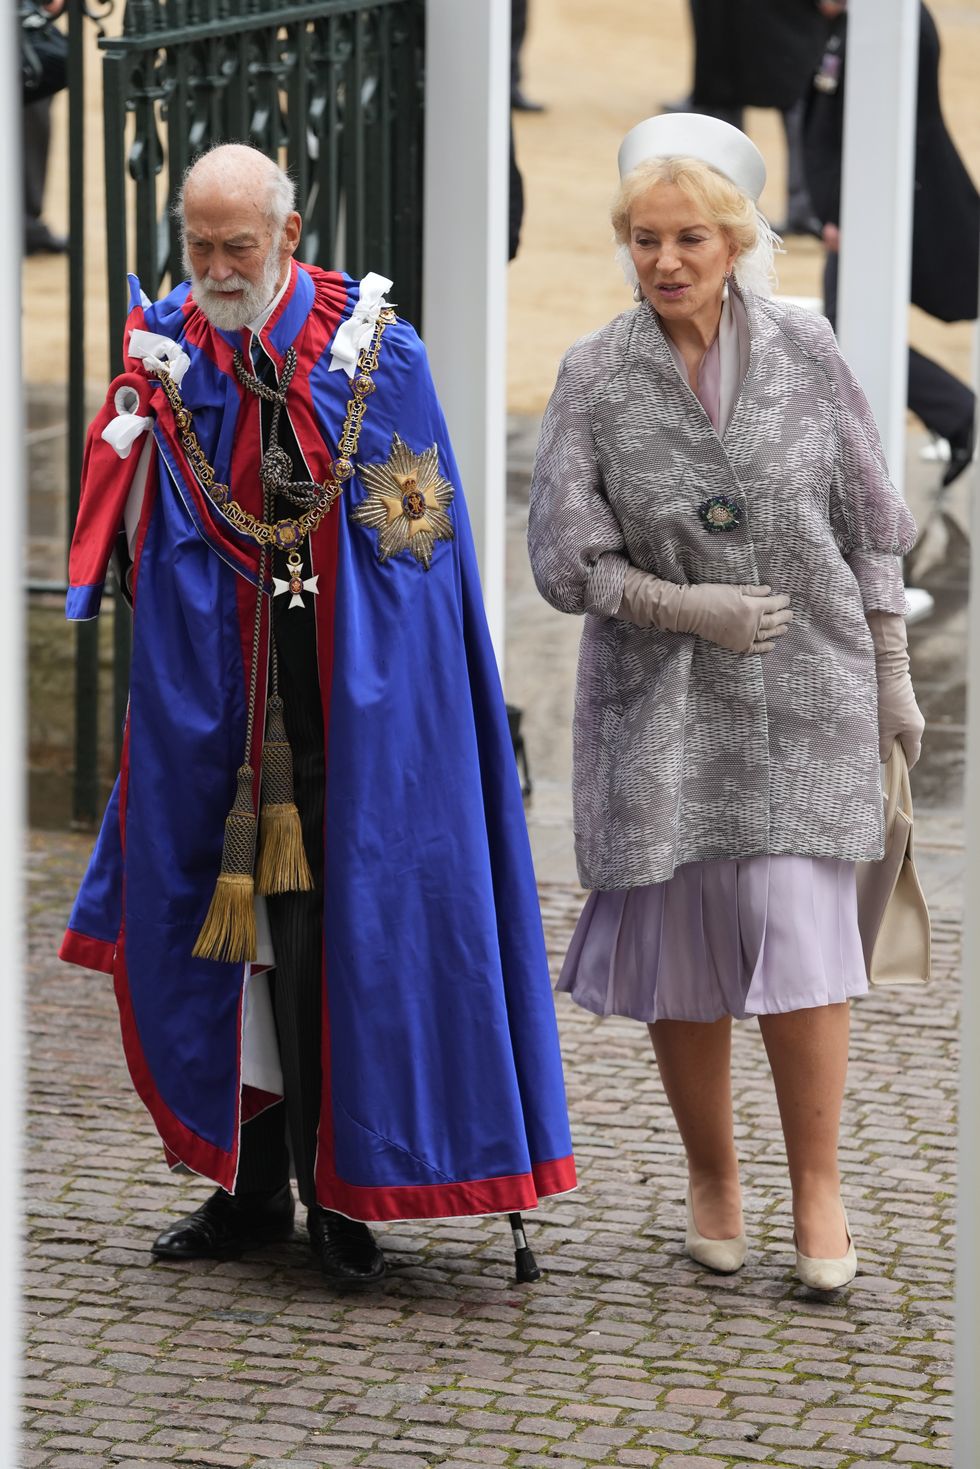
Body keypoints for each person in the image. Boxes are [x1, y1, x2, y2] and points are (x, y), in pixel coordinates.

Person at [60, 143, 575, 1286]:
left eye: (236, 244)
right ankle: (243, 1194)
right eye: (198, 244)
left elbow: (417, 551)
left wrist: (382, 694)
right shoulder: (172, 354)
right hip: (217, 719)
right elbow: (140, 539)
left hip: (348, 714)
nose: (214, 265)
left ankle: (341, 1194)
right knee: (222, 952)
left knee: (339, 953)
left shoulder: (375, 357)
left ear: (287, 235)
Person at [528, 113, 924, 1291]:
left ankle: (817, 1186)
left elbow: (872, 523)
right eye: (643, 239)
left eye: (687, 237)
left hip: (811, 693)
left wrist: (893, 669)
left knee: (803, 948)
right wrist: (680, 606)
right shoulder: (595, 375)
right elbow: (564, 561)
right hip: (660, 711)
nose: (663, 261)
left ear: (736, 238)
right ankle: (713, 1175)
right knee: (688, 953)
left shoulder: (806, 353)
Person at [803, 1, 977, 485]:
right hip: (858, 210)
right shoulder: (858, 20)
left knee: (843, 329)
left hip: (869, 211)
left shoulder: (888, 21)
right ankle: (953, 414)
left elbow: (884, 126)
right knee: (843, 329)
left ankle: (958, 412)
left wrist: (844, 212)